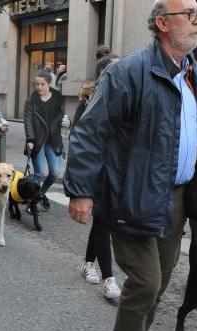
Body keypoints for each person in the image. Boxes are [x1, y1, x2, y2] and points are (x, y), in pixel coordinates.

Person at [64, 1, 197, 331]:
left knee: (158, 285)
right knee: (146, 283)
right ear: (163, 24)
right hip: (132, 195)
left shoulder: (192, 72)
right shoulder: (128, 72)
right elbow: (89, 132)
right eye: (191, 15)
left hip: (177, 198)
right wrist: (80, 190)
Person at [73, 79, 121, 299]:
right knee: (103, 222)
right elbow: (79, 139)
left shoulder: (123, 100)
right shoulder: (90, 102)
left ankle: (87, 263)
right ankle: (108, 278)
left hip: (117, 172)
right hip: (97, 171)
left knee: (101, 222)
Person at [24, 70, 66, 211]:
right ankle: (31, 201)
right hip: (38, 141)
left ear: (49, 84)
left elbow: (63, 118)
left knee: (55, 172)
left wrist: (68, 122)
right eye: (36, 84)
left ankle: (40, 193)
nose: (39, 87)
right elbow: (28, 120)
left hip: (54, 141)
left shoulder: (59, 99)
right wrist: (30, 138)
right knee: (41, 172)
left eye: (42, 84)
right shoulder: (32, 101)